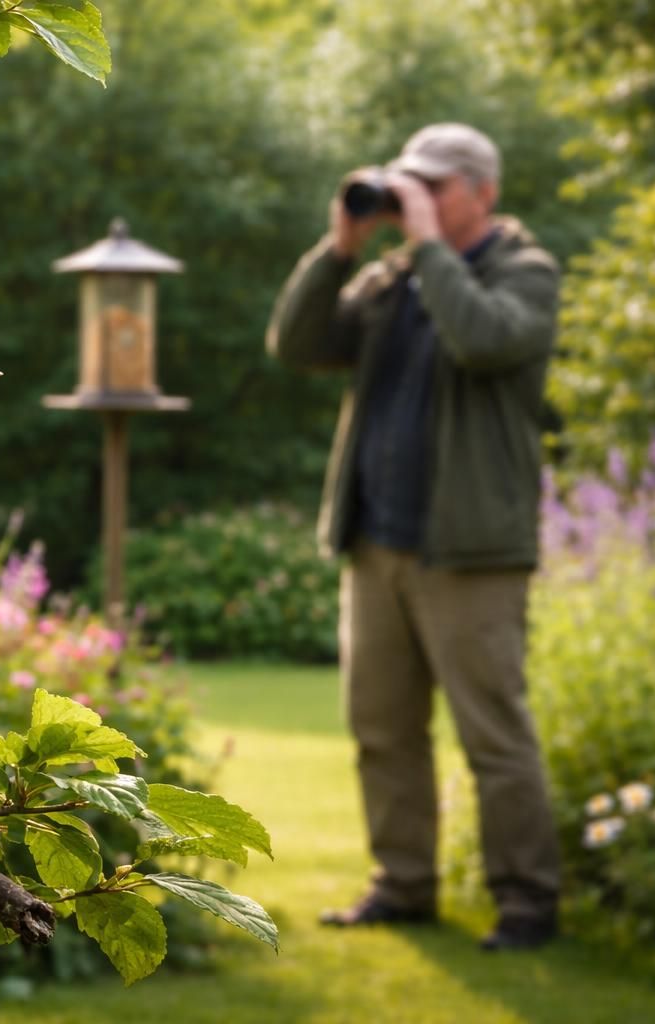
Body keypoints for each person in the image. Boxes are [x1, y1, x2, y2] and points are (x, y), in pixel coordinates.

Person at [265, 123, 562, 951]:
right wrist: (339, 248)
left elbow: (483, 338)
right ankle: (403, 885)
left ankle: (529, 903)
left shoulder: (526, 274)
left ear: (482, 191)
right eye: (408, 184)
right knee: (382, 730)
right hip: (378, 544)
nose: (415, 199)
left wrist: (428, 247)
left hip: (470, 551)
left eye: (433, 184)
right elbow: (295, 344)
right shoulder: (390, 281)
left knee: (493, 736)